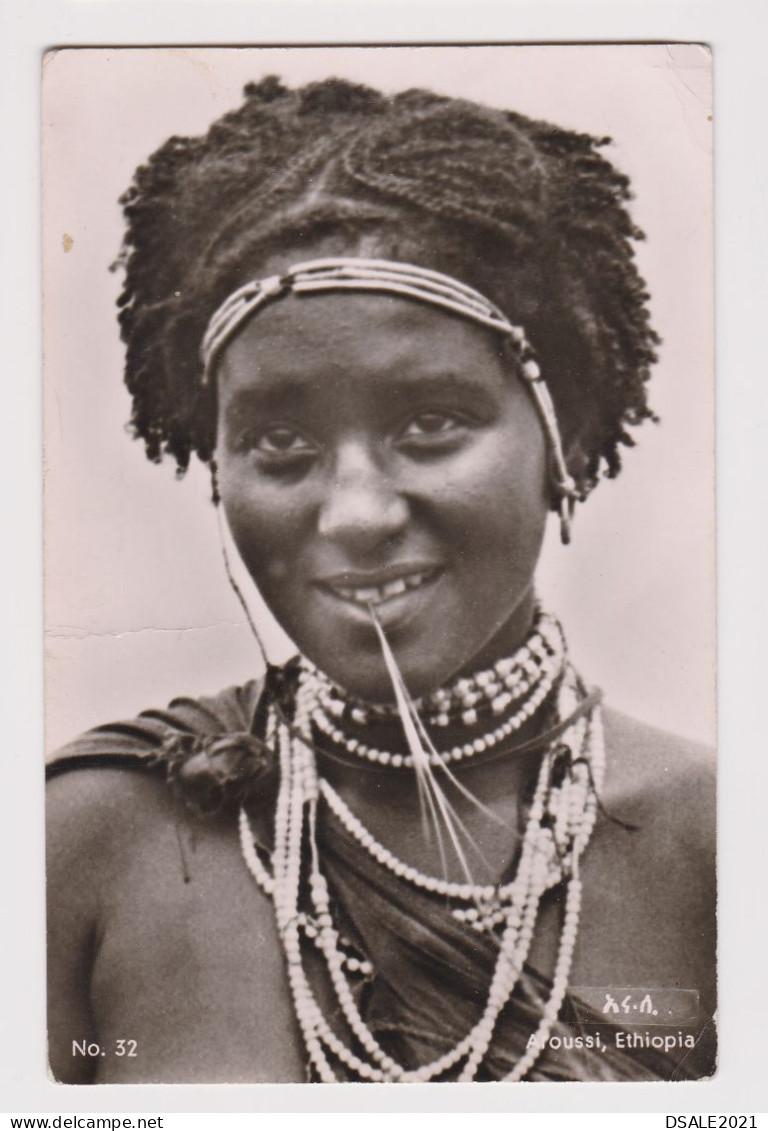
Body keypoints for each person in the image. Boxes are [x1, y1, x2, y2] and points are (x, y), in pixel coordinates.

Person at [46, 76, 715, 1084]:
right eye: (278, 441)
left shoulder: (712, 844)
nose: (354, 512)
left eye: (429, 423)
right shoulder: (90, 843)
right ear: (217, 463)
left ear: (564, 434)